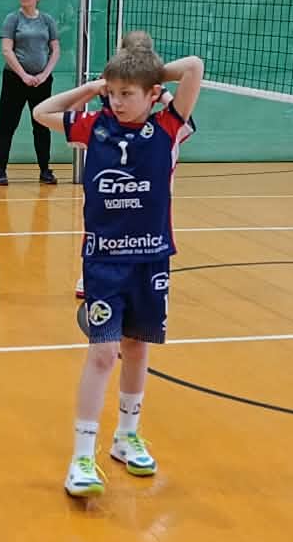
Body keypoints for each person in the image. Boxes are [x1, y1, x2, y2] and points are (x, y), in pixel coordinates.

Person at [35, 32, 204, 500]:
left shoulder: (169, 126)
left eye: (127, 93)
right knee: (103, 354)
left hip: (151, 257)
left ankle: (127, 437)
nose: (117, 100)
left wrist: (145, 73)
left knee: (137, 348)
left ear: (153, 94)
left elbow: (193, 66)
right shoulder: (95, 125)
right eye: (113, 92)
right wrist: (95, 87)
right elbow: (42, 112)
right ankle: (81, 457)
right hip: (105, 261)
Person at [0, 0, 61, 187]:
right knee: (7, 124)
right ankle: (1, 170)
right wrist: (23, 75)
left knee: (41, 124)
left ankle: (44, 170)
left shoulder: (47, 20)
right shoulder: (12, 19)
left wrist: (44, 74)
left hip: (41, 82)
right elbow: (7, 50)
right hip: (15, 80)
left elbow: (55, 50)